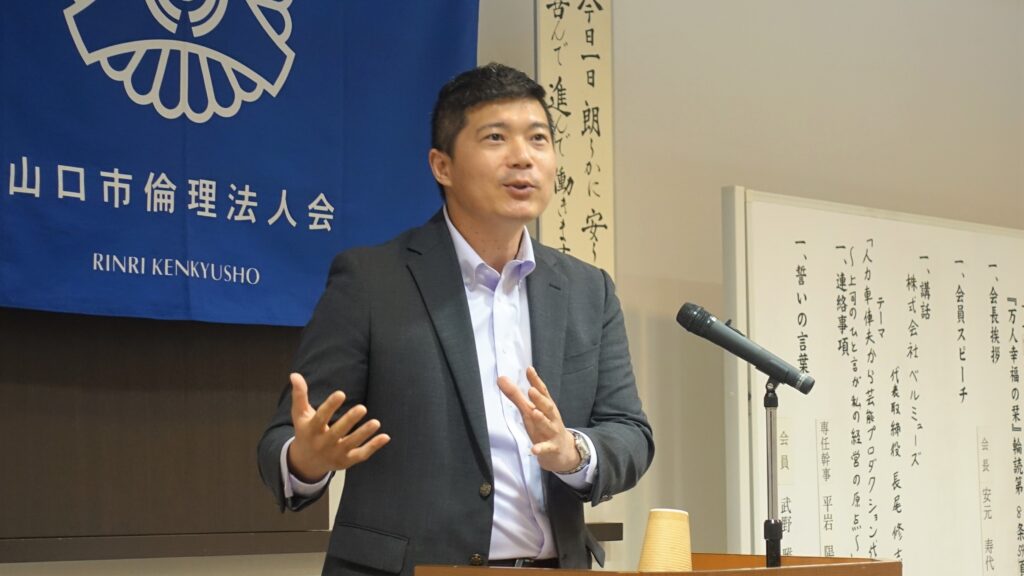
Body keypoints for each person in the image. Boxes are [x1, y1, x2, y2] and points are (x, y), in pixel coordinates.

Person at [257, 63, 654, 576]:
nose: (523, 157)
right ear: (442, 166)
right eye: (496, 138)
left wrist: (572, 451)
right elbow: (282, 441)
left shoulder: (587, 290)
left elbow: (629, 432)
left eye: (539, 138)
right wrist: (307, 460)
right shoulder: (372, 281)